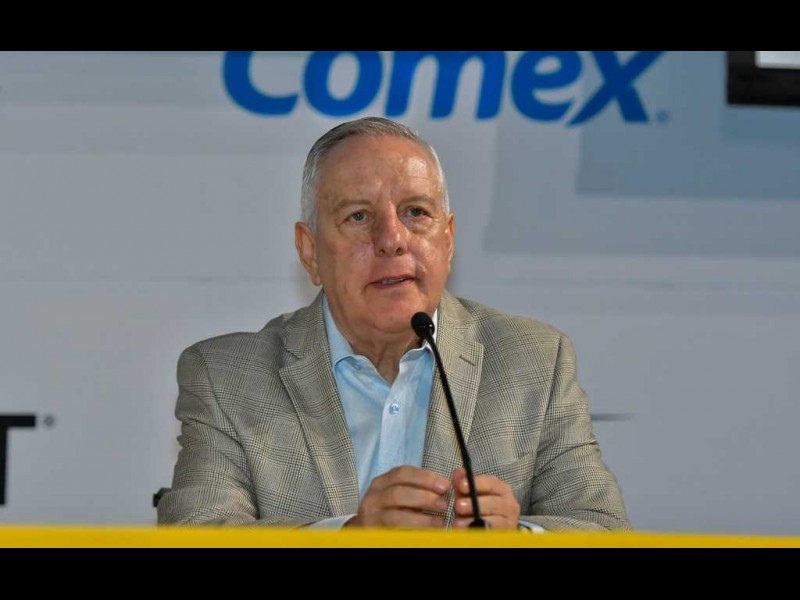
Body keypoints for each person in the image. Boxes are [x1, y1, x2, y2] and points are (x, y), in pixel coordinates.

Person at [157, 116, 631, 531]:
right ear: (310, 252)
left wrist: (520, 536)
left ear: (448, 240)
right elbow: (196, 532)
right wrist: (350, 536)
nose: (391, 239)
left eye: (415, 213)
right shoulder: (227, 378)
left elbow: (604, 527)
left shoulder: (533, 361)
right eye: (358, 216)